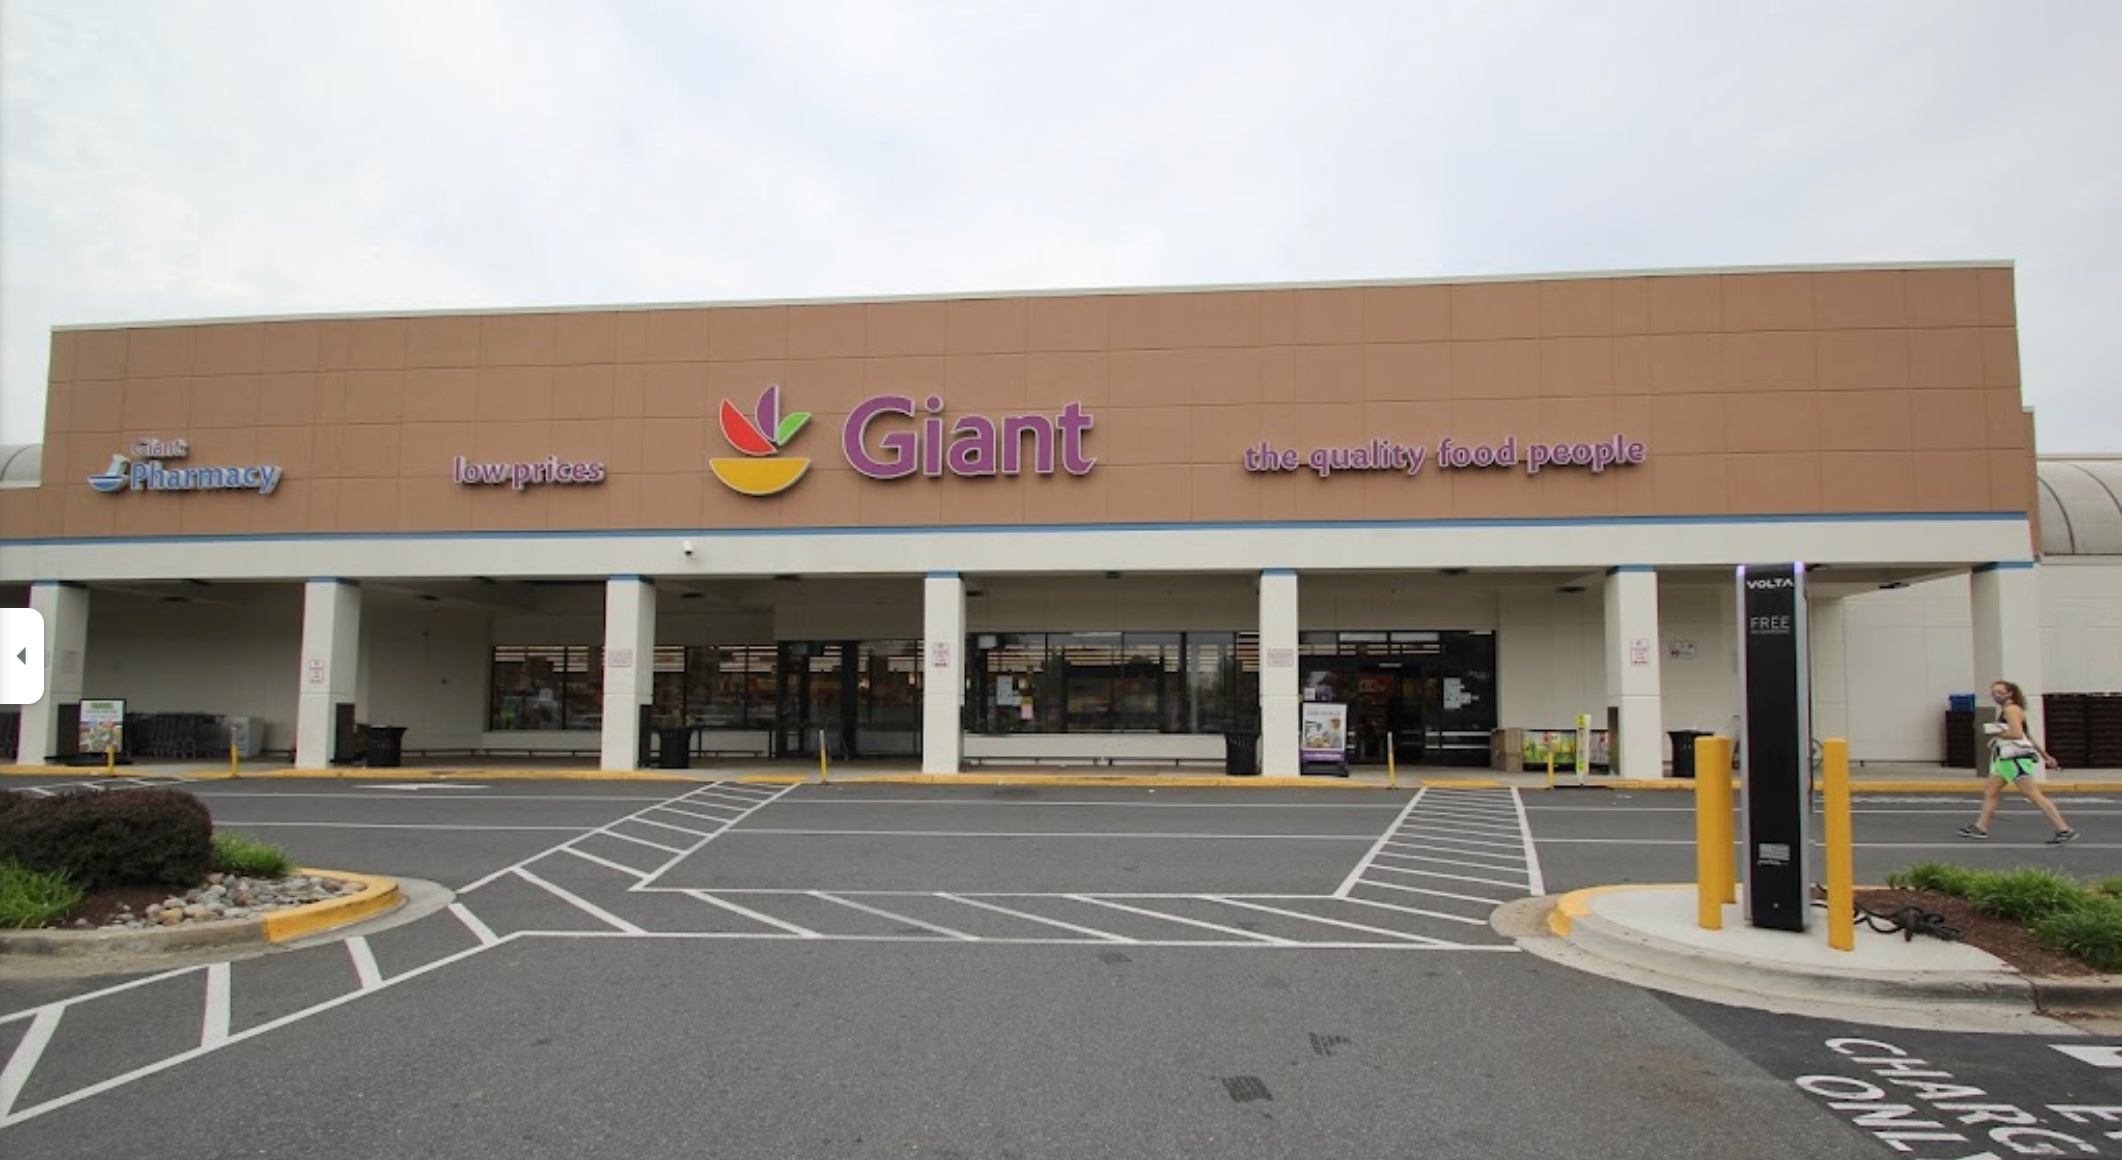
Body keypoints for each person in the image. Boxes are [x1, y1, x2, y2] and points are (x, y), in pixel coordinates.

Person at [1958, 680, 2079, 844]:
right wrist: (2045, 756)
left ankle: (2064, 829)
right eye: (1993, 693)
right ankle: (1981, 827)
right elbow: (2026, 736)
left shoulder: (2010, 710)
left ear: (2010, 693)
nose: (1996, 696)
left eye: (2000, 692)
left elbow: (2016, 733)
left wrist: (1994, 731)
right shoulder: (2013, 710)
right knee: (1990, 791)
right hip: (2004, 759)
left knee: (2033, 795)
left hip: (2013, 759)